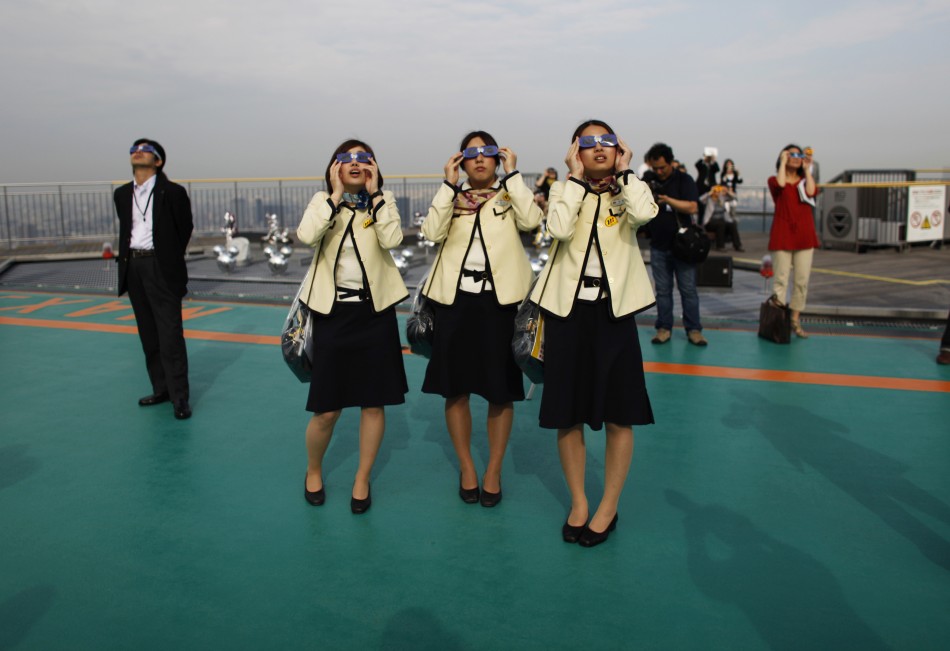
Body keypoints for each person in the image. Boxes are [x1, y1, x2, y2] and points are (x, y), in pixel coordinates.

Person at [530, 119, 658, 547]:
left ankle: (609, 506)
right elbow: (559, 229)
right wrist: (571, 181)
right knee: (568, 413)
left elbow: (645, 215)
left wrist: (626, 171)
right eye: (589, 143)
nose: (599, 148)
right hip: (569, 313)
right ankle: (580, 501)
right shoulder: (566, 190)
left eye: (608, 141)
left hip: (614, 313)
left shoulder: (628, 189)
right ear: (575, 152)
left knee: (621, 413)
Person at [420, 131, 542, 507]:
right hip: (455, 302)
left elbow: (532, 220)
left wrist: (515, 175)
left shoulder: (509, 195)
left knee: (500, 391)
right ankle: (467, 466)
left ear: (498, 158)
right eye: (470, 153)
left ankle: (493, 469)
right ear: (460, 161)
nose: (479, 159)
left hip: (500, 303)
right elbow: (430, 232)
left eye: (487, 152)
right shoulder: (452, 198)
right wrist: (447, 185)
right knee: (455, 389)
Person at [297, 140, 409, 513]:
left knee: (373, 404)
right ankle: (314, 469)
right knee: (326, 409)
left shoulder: (383, 202)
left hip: (374, 314)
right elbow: (307, 236)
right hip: (332, 314)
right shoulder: (322, 202)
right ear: (334, 168)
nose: (356, 164)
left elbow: (392, 239)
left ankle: (362, 479)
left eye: (365, 159)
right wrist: (335, 197)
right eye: (347, 159)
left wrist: (376, 198)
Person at [114, 139, 194, 420]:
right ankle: (160, 388)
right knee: (148, 332)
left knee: (170, 334)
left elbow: (184, 228)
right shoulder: (122, 194)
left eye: (146, 150)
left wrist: (168, 258)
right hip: (133, 268)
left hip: (161, 267)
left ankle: (179, 397)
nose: (138, 152)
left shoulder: (172, 192)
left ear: (158, 161)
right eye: (134, 149)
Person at [642, 143, 707, 346]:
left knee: (688, 289)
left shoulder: (683, 180)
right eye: (655, 168)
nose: (659, 172)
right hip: (658, 245)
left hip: (683, 247)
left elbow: (692, 207)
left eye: (663, 167)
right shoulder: (648, 180)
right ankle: (663, 328)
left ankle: (694, 329)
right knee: (662, 290)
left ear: (671, 163)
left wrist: (668, 200)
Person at [768, 143, 820, 339]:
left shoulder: (804, 181)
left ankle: (795, 319)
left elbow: (812, 191)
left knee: (801, 281)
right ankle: (778, 320)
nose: (796, 157)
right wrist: (783, 162)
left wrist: (807, 170)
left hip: (804, 237)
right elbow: (780, 184)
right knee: (780, 279)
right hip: (782, 236)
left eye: (799, 154)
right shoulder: (774, 180)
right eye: (791, 154)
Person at [701, 185, 744, 252]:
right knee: (721, 224)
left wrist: (727, 191)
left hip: (721, 221)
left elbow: (734, 197)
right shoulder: (709, 199)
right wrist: (711, 192)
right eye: (716, 191)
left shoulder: (721, 198)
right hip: (710, 222)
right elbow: (700, 199)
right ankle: (720, 246)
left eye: (718, 191)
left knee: (732, 224)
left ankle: (737, 245)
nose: (717, 193)